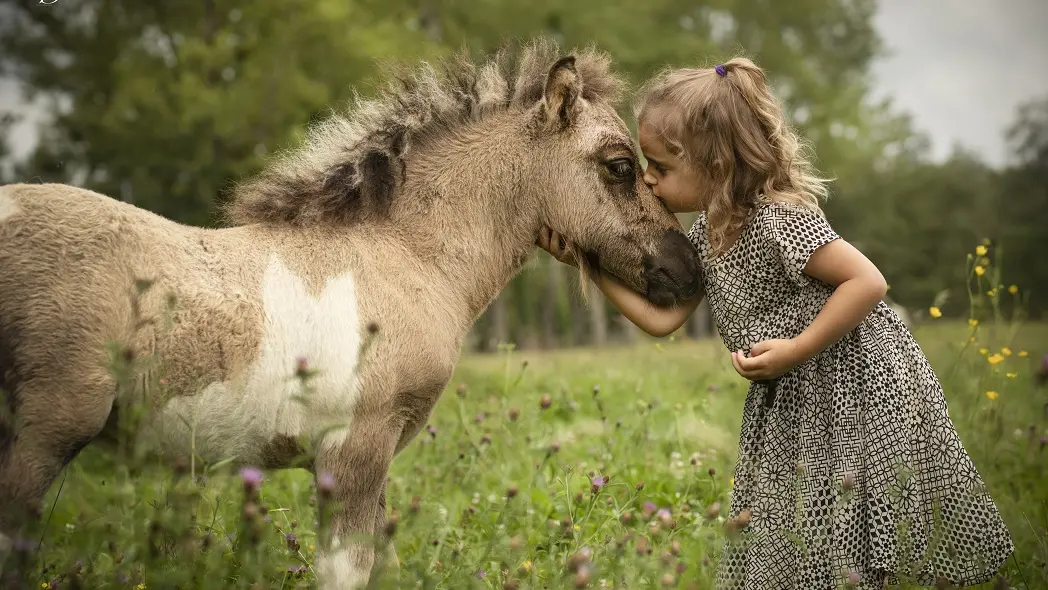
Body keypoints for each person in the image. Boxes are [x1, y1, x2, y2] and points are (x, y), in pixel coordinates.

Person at [538, 57, 1013, 589]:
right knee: (796, 521)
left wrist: (797, 348)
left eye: (661, 167)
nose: (647, 179)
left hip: (857, 385)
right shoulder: (706, 239)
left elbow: (868, 282)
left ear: (716, 164)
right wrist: (587, 262)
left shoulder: (778, 220)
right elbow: (661, 317)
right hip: (795, 396)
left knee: (864, 514)